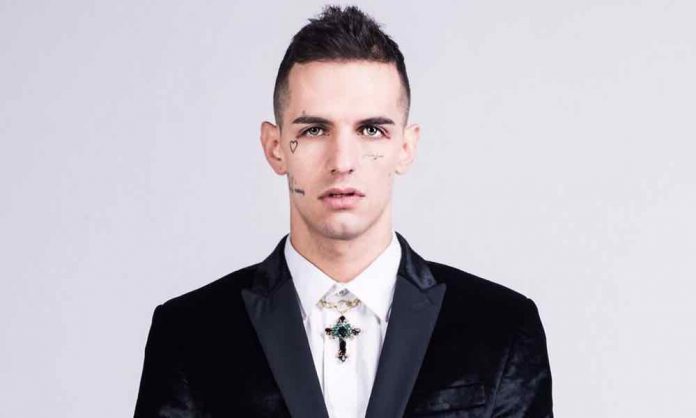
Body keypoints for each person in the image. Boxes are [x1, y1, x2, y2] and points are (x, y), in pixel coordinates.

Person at [134, 5, 553, 417]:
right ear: (275, 147)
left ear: (405, 147)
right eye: (315, 130)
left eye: (371, 130)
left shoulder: (501, 328)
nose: (342, 161)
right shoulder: (189, 333)